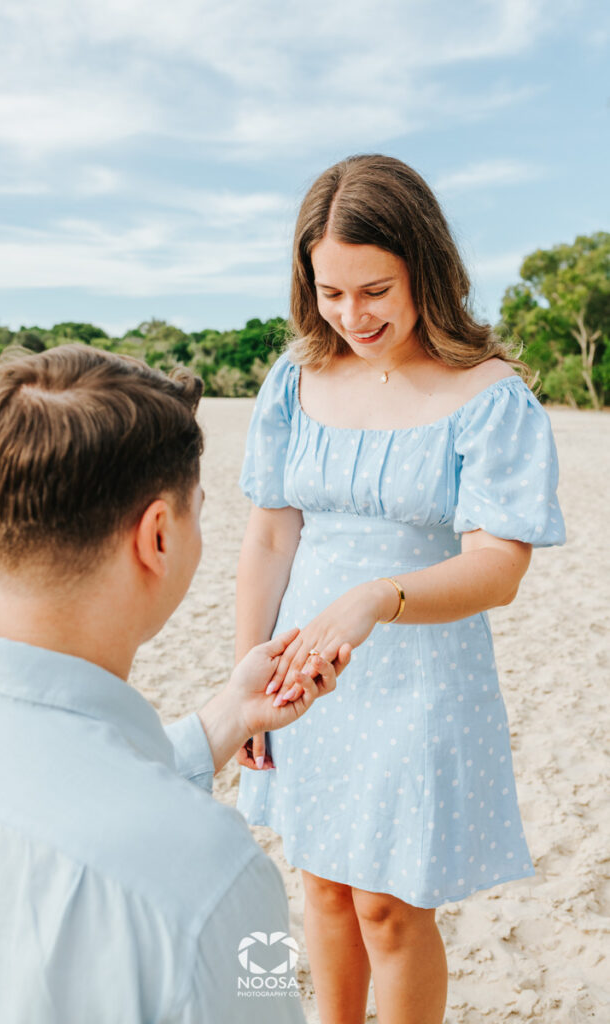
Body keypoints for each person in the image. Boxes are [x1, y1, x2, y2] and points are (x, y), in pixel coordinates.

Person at [234, 154, 566, 1024]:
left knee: (386, 905)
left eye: (375, 290)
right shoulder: (292, 380)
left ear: (425, 265)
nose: (352, 316)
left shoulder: (488, 395)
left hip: (418, 673)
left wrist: (376, 598)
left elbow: (498, 568)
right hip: (302, 670)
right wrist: (246, 681)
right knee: (321, 885)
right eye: (331, 293)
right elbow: (269, 537)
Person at [0, 344, 351, 1023]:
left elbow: (47, 782)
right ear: (157, 537)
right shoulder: (217, 876)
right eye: (197, 511)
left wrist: (225, 719)